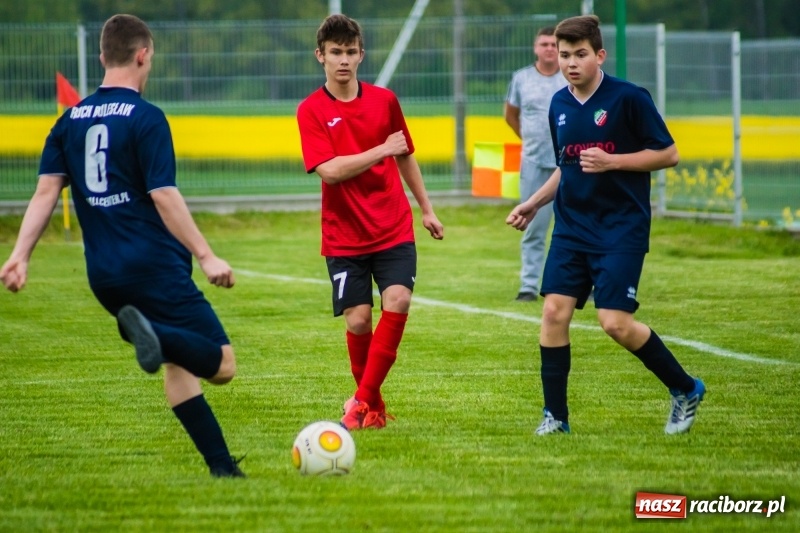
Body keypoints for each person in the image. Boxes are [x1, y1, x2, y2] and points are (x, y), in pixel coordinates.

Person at [0, 14, 245, 477]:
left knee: (177, 368)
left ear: (100, 57)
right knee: (224, 365)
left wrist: (18, 256)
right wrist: (206, 255)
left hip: (104, 276)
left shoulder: (68, 120)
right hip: (154, 265)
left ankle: (222, 469)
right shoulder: (147, 118)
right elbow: (163, 194)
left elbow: (45, 193)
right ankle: (145, 335)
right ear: (143, 54)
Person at [505, 15, 705, 436]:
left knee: (614, 322)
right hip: (573, 226)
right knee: (553, 313)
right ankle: (555, 418)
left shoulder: (629, 98)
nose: (570, 63)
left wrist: (614, 161)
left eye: (580, 55)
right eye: (563, 55)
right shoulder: (559, 104)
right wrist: (533, 203)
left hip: (621, 228)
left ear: (600, 55)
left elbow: (668, 154)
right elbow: (567, 166)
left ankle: (685, 388)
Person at [296, 14, 444, 431]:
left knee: (398, 300)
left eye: (350, 52)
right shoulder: (310, 111)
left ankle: (360, 401)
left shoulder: (385, 100)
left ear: (361, 55)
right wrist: (381, 149)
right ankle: (373, 405)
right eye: (335, 53)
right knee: (359, 320)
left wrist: (426, 209)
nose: (343, 61)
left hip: (392, 225)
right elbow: (330, 171)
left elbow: (405, 156)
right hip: (344, 235)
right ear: (320, 56)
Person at [504, 26, 568, 303]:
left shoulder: (569, 77)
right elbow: (511, 114)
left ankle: (581, 283)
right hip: (533, 164)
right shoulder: (521, 79)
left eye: (554, 45)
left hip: (568, 163)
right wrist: (528, 139)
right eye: (544, 44)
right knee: (532, 226)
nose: (549, 49)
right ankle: (529, 285)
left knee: (576, 227)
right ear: (536, 48)